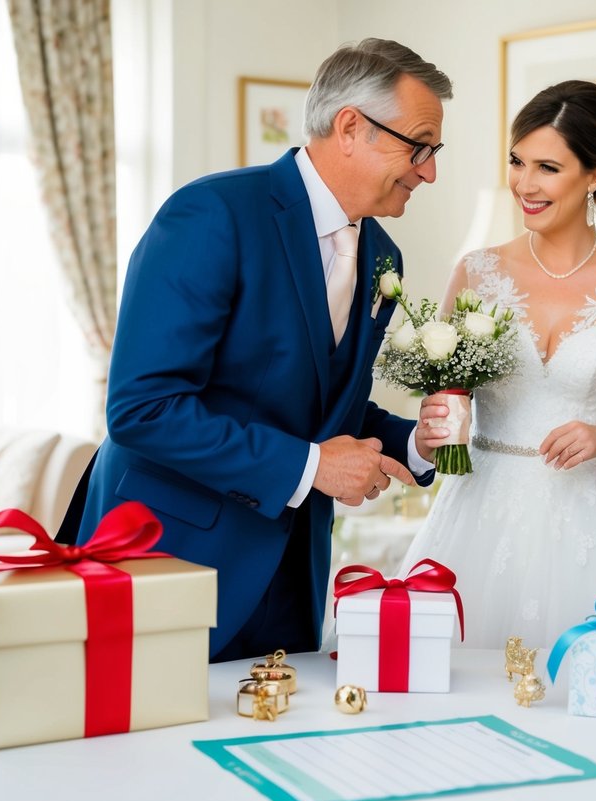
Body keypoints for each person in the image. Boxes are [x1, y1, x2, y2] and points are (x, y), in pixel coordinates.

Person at [62, 39, 452, 662]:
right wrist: (311, 468)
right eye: (420, 147)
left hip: (293, 574)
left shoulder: (384, 255)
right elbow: (143, 409)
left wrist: (413, 442)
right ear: (351, 127)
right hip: (172, 557)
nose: (429, 172)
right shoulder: (211, 214)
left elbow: (320, 406)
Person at [399, 80, 596, 649]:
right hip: (477, 516)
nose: (525, 184)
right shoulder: (476, 272)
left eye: (547, 168)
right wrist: (437, 430)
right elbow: (444, 409)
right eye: (516, 161)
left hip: (593, 530)